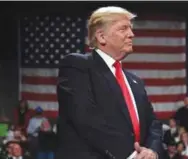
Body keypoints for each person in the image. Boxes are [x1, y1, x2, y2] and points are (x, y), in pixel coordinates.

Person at [56, 6, 165, 159]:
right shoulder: (77, 66)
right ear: (101, 37)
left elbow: (154, 124)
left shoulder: (136, 82)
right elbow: (86, 119)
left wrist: (152, 152)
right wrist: (132, 155)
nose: (131, 34)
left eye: (131, 29)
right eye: (123, 29)